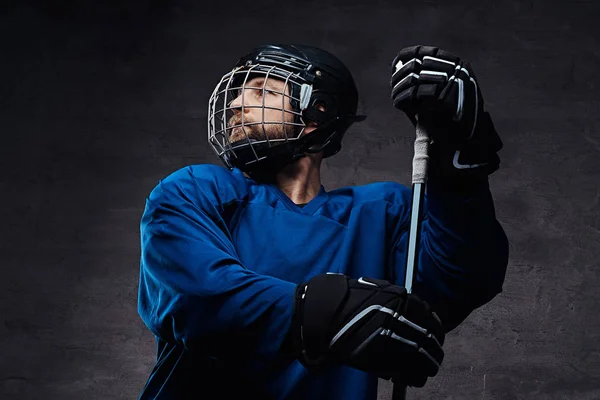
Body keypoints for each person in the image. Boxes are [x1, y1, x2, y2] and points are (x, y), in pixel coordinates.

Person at [136, 44, 509, 400]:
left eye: (262, 91)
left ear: (316, 115)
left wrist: (461, 158)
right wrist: (328, 313)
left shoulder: (384, 211)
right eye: (237, 94)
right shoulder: (195, 189)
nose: (235, 104)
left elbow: (461, 279)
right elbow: (195, 299)